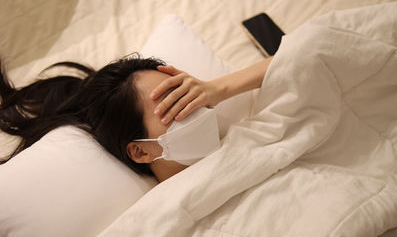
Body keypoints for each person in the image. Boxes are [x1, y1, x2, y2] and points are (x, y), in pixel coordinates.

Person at [0, 53, 273, 182]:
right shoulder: (159, 218)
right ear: (141, 151)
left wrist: (219, 88)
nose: (194, 106)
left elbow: (314, 43)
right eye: (173, 105)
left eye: (186, 92)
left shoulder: (255, 131)